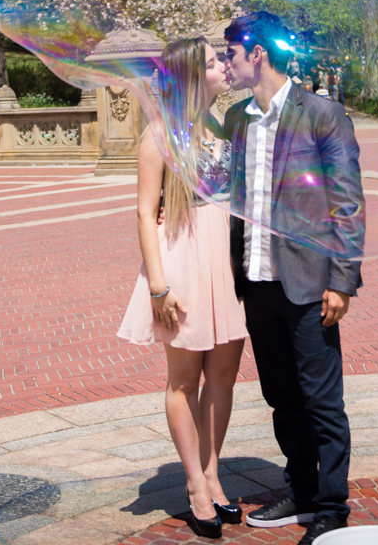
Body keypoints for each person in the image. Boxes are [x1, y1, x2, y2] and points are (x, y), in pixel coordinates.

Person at [220, 12, 365, 544]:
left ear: (257, 52)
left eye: (230, 52)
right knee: (281, 395)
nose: (226, 62)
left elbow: (347, 203)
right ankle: (302, 489)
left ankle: (330, 506)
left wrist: (342, 281)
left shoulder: (322, 114)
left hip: (309, 283)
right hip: (256, 281)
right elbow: (228, 196)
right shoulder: (237, 120)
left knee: (322, 400)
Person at [118, 36, 247, 540]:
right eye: (215, 62)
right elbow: (145, 214)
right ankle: (195, 484)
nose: (224, 67)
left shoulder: (224, 125)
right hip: (184, 259)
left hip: (227, 260)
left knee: (223, 375)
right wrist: (157, 286)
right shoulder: (160, 137)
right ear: (194, 76)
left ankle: (214, 474)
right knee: (183, 377)